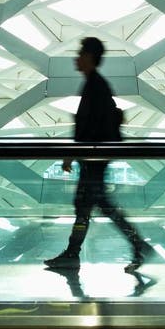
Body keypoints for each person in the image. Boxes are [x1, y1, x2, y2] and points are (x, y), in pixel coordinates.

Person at [44, 37, 151, 272]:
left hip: (93, 159)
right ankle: (134, 245)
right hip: (94, 159)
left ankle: (75, 254)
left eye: (80, 53)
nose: (77, 58)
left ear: (90, 57)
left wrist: (74, 152)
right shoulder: (95, 85)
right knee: (95, 205)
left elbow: (90, 128)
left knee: (89, 206)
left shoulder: (95, 86)